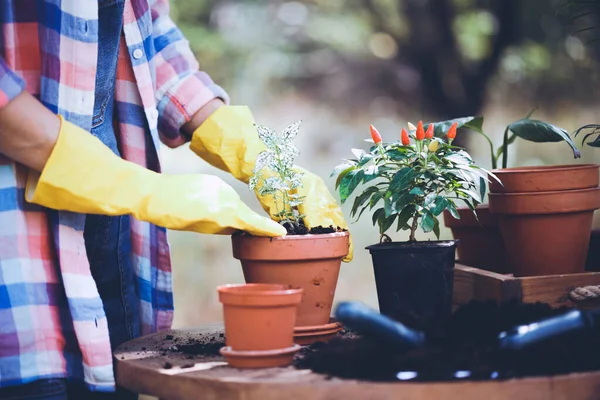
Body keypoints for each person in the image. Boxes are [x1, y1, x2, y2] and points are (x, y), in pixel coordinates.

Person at [0, 1, 353, 398]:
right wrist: (137, 187)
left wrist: (254, 154)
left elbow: (149, 37)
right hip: (18, 254)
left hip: (108, 240)